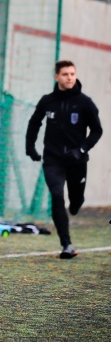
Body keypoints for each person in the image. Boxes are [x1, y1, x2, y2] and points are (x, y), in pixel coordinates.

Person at [25, 60, 102, 259]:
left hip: (77, 160)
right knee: (57, 195)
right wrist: (30, 148)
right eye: (65, 74)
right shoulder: (47, 101)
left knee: (75, 200)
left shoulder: (85, 102)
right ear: (57, 76)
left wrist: (82, 149)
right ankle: (66, 244)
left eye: (72, 74)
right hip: (53, 159)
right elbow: (34, 123)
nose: (69, 77)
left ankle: (77, 202)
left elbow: (97, 130)